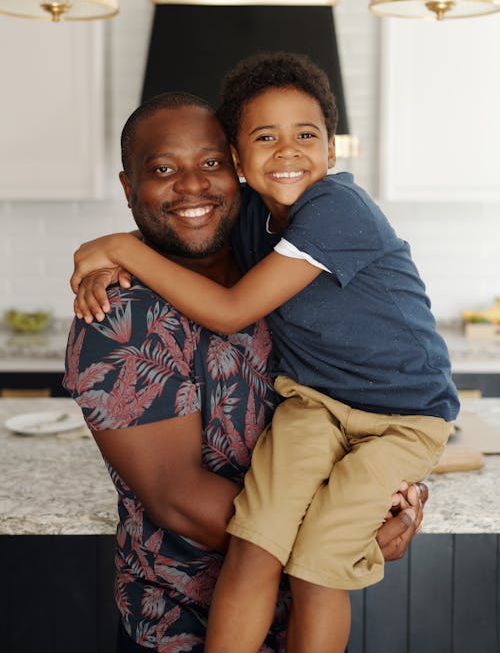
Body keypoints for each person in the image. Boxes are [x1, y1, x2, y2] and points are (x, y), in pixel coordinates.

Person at [69, 82, 435, 652]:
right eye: (163, 168)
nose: (192, 184)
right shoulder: (120, 313)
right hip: (182, 626)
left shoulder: (272, 261)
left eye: (211, 162)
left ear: (236, 170)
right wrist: (343, 534)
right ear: (129, 186)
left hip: (307, 611)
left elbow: (369, 395)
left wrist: (380, 503)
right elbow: (177, 496)